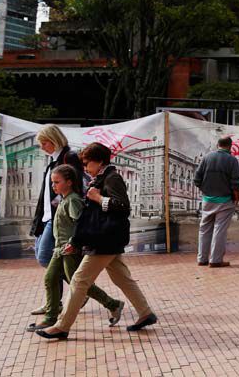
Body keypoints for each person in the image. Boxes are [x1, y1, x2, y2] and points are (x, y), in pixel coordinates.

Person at [36, 142, 157, 340]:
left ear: (99, 162)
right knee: (122, 278)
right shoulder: (102, 179)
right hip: (107, 238)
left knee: (79, 280)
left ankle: (62, 325)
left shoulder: (112, 178)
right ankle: (145, 313)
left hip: (105, 240)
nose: (84, 168)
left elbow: (123, 207)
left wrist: (99, 198)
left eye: (87, 163)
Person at [26, 165, 123, 331]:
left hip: (70, 250)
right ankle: (51, 316)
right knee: (50, 279)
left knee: (78, 284)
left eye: (57, 182)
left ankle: (112, 304)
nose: (53, 186)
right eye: (52, 182)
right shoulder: (65, 199)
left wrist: (74, 243)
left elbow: (81, 224)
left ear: (69, 182)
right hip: (60, 249)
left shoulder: (73, 201)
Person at [29, 125, 83, 317]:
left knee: (46, 258)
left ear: (54, 140)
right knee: (44, 257)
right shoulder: (54, 160)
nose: (42, 147)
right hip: (46, 217)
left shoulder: (69, 157)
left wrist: (60, 207)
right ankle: (61, 299)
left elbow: (76, 188)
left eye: (44, 143)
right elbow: (48, 191)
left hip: (57, 218)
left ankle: (77, 292)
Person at [194, 136, 239, 268]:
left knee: (204, 229)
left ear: (218, 144)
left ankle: (202, 259)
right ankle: (215, 260)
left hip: (207, 200)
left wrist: (206, 191)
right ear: (230, 146)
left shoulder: (207, 157)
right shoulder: (232, 160)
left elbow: (197, 179)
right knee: (219, 230)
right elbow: (236, 183)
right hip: (225, 201)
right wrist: (236, 199)